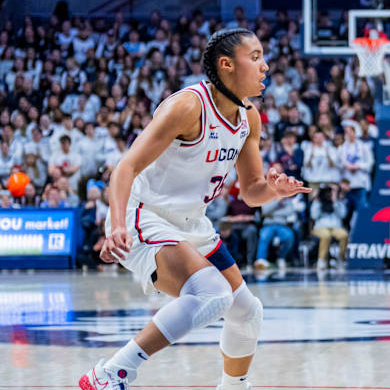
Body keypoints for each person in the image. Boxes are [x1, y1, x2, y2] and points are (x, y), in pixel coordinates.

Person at [78, 28, 310, 390]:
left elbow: (252, 191)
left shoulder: (249, 118)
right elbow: (126, 167)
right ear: (227, 65)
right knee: (212, 294)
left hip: (191, 223)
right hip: (145, 214)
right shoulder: (188, 107)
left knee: (247, 311)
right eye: (255, 57)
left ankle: (234, 387)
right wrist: (117, 226)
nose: (265, 66)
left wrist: (275, 191)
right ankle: (110, 374)